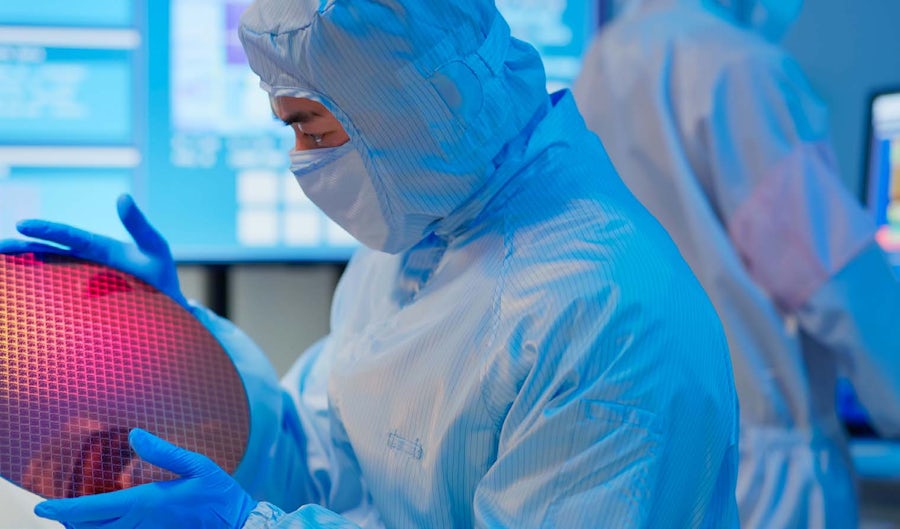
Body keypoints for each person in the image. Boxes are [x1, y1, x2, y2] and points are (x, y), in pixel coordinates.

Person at [2, 0, 739, 527]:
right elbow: (327, 460)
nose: (301, 160)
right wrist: (183, 357)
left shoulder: (605, 314)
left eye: (308, 127)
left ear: (402, 108)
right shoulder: (423, 234)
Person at [573, 0, 900, 527]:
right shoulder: (736, 66)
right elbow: (831, 278)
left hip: (641, 461)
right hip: (759, 476)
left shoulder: (601, 61)